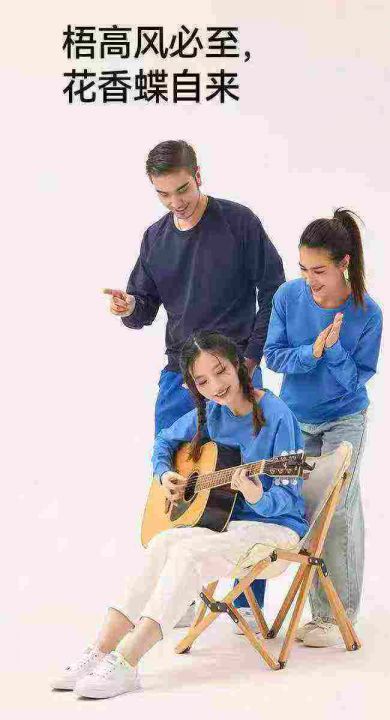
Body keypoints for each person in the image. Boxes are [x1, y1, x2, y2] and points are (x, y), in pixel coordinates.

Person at [51, 332, 308, 699]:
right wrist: (163, 473)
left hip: (276, 531)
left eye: (220, 371)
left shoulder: (277, 415)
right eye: (202, 381)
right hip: (228, 525)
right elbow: (164, 441)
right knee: (163, 542)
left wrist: (258, 496)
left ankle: (127, 661)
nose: (215, 386)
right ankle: (100, 650)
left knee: (188, 552)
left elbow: (288, 496)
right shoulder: (211, 413)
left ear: (238, 364)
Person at [103, 139, 285, 619]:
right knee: (176, 481)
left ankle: (246, 602)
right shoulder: (155, 238)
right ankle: (177, 600)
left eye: (182, 189)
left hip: (233, 373)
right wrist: (129, 306)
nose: (175, 202)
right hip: (178, 379)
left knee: (244, 481)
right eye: (163, 194)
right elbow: (144, 307)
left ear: (198, 176)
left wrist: (250, 359)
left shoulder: (238, 222)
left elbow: (274, 290)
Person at [263, 208, 382, 647]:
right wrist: (313, 350)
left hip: (344, 418)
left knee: (338, 509)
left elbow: (355, 380)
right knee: (303, 507)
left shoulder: (367, 312)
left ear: (343, 264)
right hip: (296, 418)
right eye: (303, 269)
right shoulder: (287, 297)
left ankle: (333, 616)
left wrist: (331, 351)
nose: (309, 279)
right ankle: (313, 608)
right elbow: (273, 356)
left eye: (319, 271)